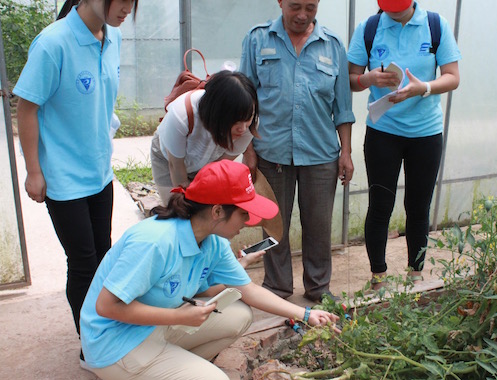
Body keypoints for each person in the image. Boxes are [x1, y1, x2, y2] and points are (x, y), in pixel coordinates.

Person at [79, 160, 339, 380]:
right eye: (243, 213)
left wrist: (306, 314)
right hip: (116, 344)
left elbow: (247, 290)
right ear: (217, 211)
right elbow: (107, 307)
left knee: (238, 314)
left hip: (154, 326)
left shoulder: (214, 242)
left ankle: (168, 375)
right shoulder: (154, 242)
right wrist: (179, 318)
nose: (248, 222)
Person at [13, 0, 138, 339]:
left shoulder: (113, 37)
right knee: (83, 263)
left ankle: (104, 327)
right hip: (63, 177)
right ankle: (91, 343)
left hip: (99, 171)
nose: (128, 8)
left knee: (103, 255)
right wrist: (34, 171)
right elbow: (26, 109)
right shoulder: (53, 43)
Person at [239, 0, 355, 302]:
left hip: (321, 153)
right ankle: (277, 288)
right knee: (273, 224)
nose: (302, 15)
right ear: (280, 2)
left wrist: (346, 152)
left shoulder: (332, 46)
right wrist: (248, 151)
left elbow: (343, 107)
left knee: (318, 225)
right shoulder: (257, 39)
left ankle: (318, 288)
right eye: (294, 6)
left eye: (310, 7)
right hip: (271, 151)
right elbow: (243, 101)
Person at [347, 0, 461, 288]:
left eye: (399, 6)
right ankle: (379, 276)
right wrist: (368, 78)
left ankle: (415, 274)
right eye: (388, 7)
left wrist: (423, 88)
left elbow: (452, 77)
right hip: (382, 131)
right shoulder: (369, 28)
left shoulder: (436, 25)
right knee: (380, 205)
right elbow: (350, 80)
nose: (394, 12)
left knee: (418, 206)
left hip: (426, 134)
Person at [150, 70, 260, 205]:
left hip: (208, 162)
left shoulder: (250, 124)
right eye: (235, 121)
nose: (242, 128)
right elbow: (176, 165)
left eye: (247, 119)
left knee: (204, 211)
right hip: (169, 161)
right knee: (177, 209)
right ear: (217, 113)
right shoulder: (182, 115)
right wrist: (186, 198)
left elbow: (218, 167)